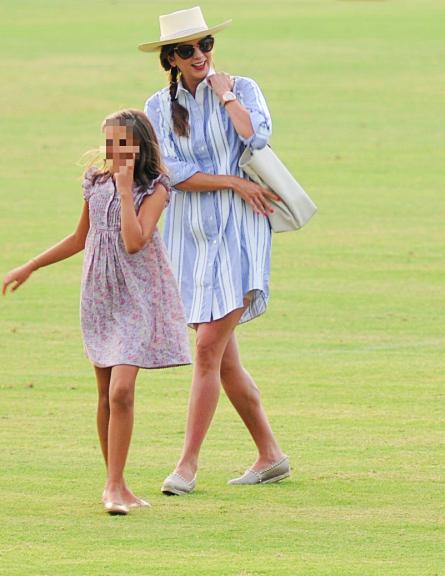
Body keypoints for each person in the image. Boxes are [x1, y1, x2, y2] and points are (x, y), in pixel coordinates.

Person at [3, 110, 192, 515]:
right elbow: (79, 237)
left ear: (139, 144)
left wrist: (126, 192)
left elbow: (134, 242)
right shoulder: (95, 182)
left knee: (122, 390)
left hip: (139, 297)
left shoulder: (155, 189)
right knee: (105, 392)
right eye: (110, 143)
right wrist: (30, 266)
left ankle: (112, 487)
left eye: (122, 143)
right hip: (100, 294)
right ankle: (117, 485)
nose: (114, 151)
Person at [138, 6, 288, 494]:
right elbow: (175, 173)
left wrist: (225, 97)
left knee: (205, 350)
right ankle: (270, 455)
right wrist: (231, 182)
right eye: (187, 49)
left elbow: (257, 137)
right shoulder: (158, 108)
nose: (199, 55)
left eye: (205, 45)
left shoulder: (242, 87)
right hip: (189, 240)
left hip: (243, 233)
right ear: (171, 59)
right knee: (223, 361)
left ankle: (187, 465)